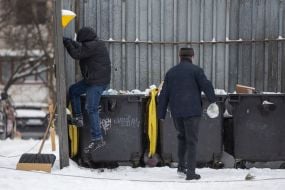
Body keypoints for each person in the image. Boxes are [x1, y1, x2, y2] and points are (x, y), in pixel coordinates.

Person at [158, 47, 216, 180]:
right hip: (192, 111)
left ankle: (181, 168)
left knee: (182, 138)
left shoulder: (171, 73)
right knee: (192, 141)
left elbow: (164, 94)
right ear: (192, 56)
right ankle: (190, 172)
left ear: (179, 56)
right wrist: (213, 100)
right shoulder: (196, 71)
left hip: (177, 112)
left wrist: (161, 114)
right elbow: (206, 85)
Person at [63, 26, 111, 153]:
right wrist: (71, 41)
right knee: (74, 91)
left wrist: (67, 43)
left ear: (84, 38)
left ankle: (97, 139)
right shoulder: (95, 44)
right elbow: (81, 48)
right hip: (93, 80)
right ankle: (78, 118)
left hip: (96, 82)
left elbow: (76, 54)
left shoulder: (93, 46)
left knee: (91, 108)